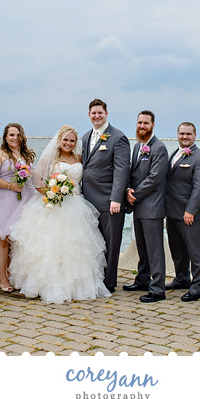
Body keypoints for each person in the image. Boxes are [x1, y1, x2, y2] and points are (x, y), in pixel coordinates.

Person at [8, 125, 111, 304]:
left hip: (76, 205)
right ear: (59, 140)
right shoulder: (50, 158)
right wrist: (51, 194)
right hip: (53, 204)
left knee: (76, 247)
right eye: (65, 140)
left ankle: (76, 286)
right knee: (50, 247)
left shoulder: (79, 158)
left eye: (72, 140)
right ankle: (47, 285)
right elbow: (36, 181)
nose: (68, 143)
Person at [81, 99, 131, 292]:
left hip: (109, 201)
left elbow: (121, 170)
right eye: (93, 113)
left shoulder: (118, 137)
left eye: (100, 113)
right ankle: (95, 278)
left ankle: (109, 283)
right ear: (89, 115)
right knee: (94, 243)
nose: (97, 116)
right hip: (87, 201)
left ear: (106, 113)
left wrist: (116, 198)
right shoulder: (86, 137)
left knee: (111, 243)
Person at [122, 110, 169, 302]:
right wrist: (127, 190)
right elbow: (132, 173)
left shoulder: (159, 148)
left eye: (146, 123)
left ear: (153, 125)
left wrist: (135, 194)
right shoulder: (137, 147)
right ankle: (142, 279)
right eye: (139, 123)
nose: (142, 126)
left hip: (152, 207)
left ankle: (158, 289)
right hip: (139, 206)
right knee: (142, 246)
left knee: (154, 249)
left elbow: (155, 178)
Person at [0, 123, 36, 292]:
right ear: (5, 137)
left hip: (24, 200)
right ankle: (2, 278)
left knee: (16, 240)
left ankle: (12, 274)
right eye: (11, 135)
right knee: (3, 238)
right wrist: (9, 186)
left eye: (18, 135)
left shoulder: (25, 156)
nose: (15, 138)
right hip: (5, 200)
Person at [164, 122, 200, 302]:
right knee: (177, 250)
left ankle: (198, 286)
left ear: (195, 135)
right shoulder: (174, 154)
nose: (185, 137)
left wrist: (191, 210)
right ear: (177, 134)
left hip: (191, 214)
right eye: (182, 133)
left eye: (188, 134)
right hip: (173, 212)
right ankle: (181, 278)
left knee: (196, 251)